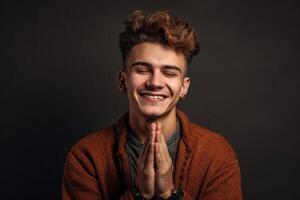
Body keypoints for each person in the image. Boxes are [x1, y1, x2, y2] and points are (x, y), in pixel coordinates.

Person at [62, 10, 242, 200]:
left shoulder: (216, 154)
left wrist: (170, 194)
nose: (155, 82)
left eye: (170, 73)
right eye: (142, 69)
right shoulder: (86, 156)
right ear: (123, 81)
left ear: (184, 87)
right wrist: (139, 194)